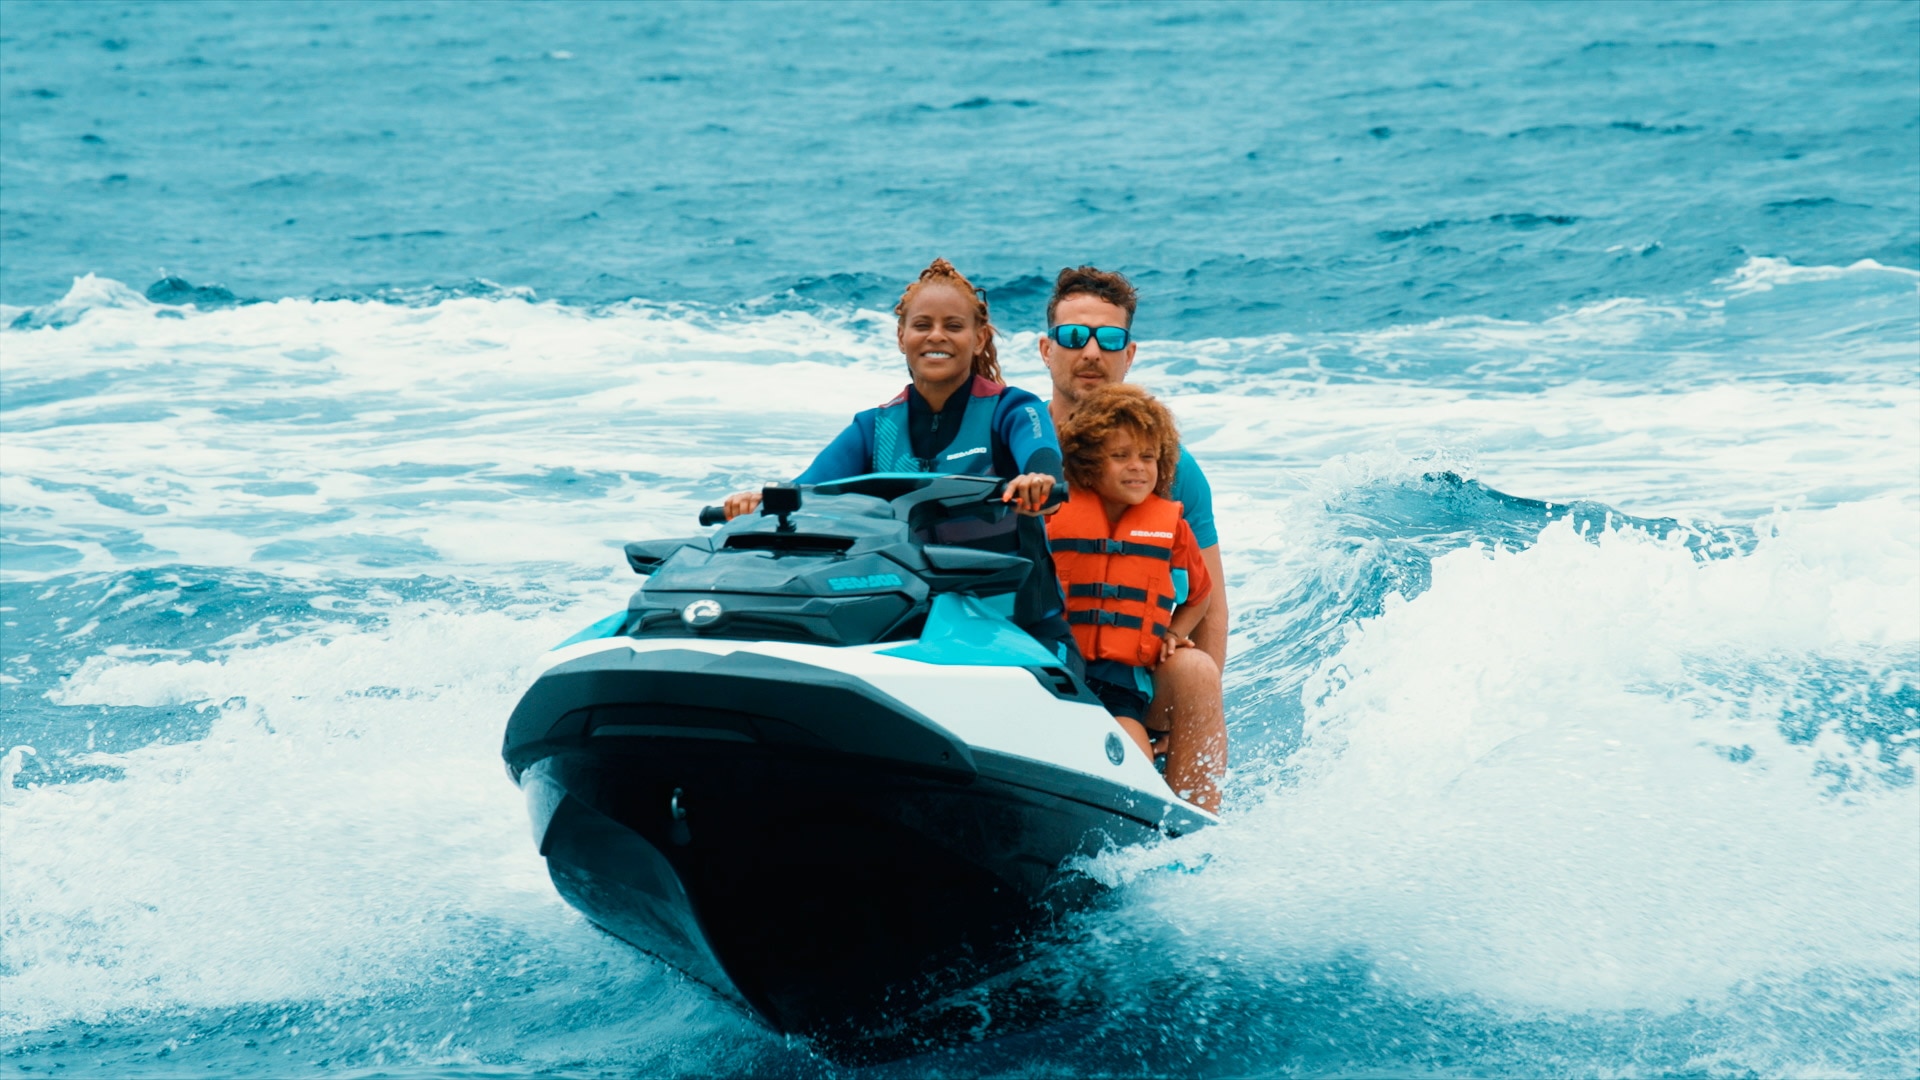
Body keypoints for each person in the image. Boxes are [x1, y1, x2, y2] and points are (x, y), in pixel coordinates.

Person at [722, 258, 1076, 660]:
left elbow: (1042, 452)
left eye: (954, 326)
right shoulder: (875, 428)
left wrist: (1040, 481)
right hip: (912, 622)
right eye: (922, 325)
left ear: (978, 339)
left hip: (1018, 624)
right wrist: (758, 506)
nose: (936, 336)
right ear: (901, 336)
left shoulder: (1010, 409)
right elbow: (806, 491)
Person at [1038, 266, 1231, 746]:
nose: (1090, 351)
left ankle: (1193, 817)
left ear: (1129, 355)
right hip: (1038, 656)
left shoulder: (1170, 467)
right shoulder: (1020, 447)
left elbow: (1210, 605)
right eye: (1073, 335)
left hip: (1131, 675)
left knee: (1195, 671)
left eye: (1108, 338)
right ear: (1046, 349)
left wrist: (1178, 717)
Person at [1052, 384, 1225, 810]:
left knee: (1136, 769)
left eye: (1148, 457)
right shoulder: (1053, 515)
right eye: (1121, 456)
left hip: (1120, 685)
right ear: (1089, 463)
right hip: (1055, 673)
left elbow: (1200, 596)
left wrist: (1174, 632)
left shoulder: (1172, 529)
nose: (1137, 468)